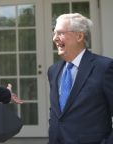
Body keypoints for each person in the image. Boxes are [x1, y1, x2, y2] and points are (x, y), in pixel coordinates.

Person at [48, 13, 113, 144]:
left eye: (60, 33)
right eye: (54, 33)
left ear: (79, 36)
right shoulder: (53, 71)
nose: (55, 38)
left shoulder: (104, 67)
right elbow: (57, 113)